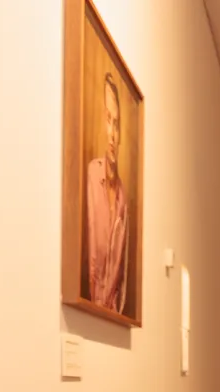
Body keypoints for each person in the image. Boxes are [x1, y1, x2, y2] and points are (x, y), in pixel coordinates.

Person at [86, 72, 129, 312]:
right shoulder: (93, 175)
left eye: (117, 124)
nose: (112, 133)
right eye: (108, 120)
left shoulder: (122, 197)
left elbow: (121, 281)